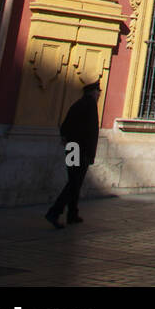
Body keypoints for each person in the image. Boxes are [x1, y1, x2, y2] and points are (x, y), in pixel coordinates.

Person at [45, 80, 101, 228]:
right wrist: (90, 153)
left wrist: (66, 139)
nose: (99, 94)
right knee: (75, 182)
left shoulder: (77, 104)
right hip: (81, 149)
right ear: (93, 92)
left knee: (74, 180)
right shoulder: (90, 106)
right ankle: (54, 212)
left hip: (72, 147)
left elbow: (64, 127)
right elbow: (91, 132)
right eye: (98, 91)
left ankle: (72, 214)